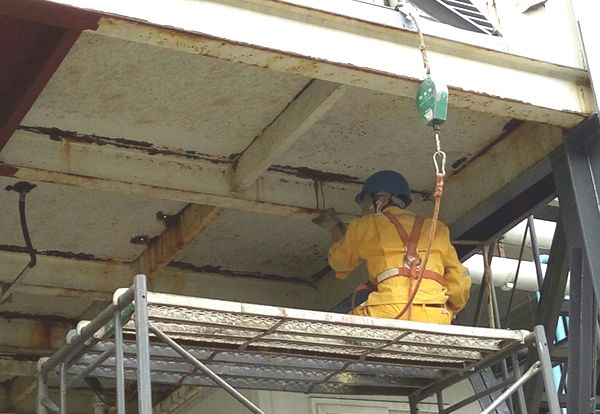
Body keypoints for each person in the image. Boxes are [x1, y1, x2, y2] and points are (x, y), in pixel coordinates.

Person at [318, 170, 471, 324]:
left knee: (338, 323)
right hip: (436, 315)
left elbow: (339, 262)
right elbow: (460, 280)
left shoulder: (366, 224)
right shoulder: (437, 228)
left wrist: (334, 230)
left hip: (389, 311)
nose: (364, 208)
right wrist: (448, 311)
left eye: (366, 201)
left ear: (382, 199)